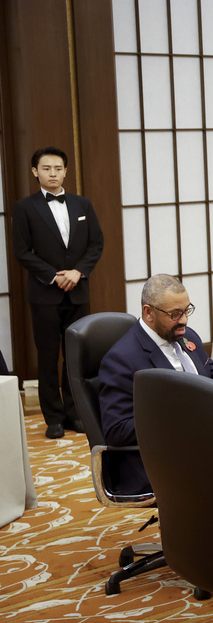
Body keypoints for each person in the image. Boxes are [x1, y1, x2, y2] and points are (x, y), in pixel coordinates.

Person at [98, 274, 213, 495]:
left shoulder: (187, 336)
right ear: (148, 312)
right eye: (175, 314)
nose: (184, 321)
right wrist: (182, 415)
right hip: (158, 459)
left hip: (204, 440)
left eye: (186, 311)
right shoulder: (122, 359)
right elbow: (117, 431)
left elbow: (211, 373)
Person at [12, 146, 104, 438]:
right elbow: (22, 252)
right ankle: (53, 417)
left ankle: (76, 414)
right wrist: (54, 277)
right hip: (44, 294)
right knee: (48, 357)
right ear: (35, 172)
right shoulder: (25, 208)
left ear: (66, 171)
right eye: (46, 168)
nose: (53, 173)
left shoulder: (83, 205)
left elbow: (96, 244)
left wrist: (79, 272)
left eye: (58, 168)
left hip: (78, 290)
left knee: (75, 357)